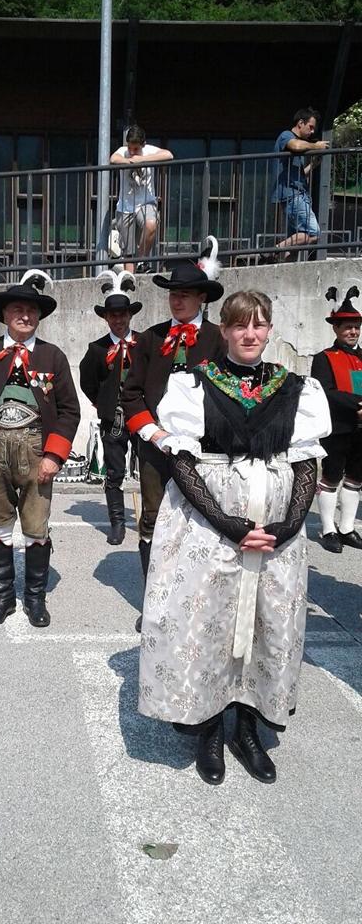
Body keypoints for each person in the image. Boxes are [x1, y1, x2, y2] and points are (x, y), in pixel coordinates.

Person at [138, 290, 331, 785]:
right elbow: (182, 461)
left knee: (267, 624)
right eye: (240, 325)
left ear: (269, 331)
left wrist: (289, 525)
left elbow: (306, 460)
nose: (250, 334)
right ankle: (208, 729)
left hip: (275, 531)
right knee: (207, 622)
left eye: (259, 325)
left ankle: (247, 729)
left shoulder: (295, 388)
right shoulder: (193, 384)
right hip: (208, 525)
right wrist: (226, 522)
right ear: (223, 330)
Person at [0, 270, 80, 628]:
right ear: (4, 315)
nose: (25, 316)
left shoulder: (53, 356)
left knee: (36, 527)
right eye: (17, 310)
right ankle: (3, 598)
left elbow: (70, 410)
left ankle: (35, 599)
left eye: (31, 310)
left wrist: (54, 455)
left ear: (39, 316)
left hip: (37, 453)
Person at [122, 237, 225, 631]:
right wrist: (154, 433)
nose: (177, 300)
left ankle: (195, 601)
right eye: (172, 294)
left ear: (201, 297)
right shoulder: (150, 338)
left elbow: (227, 395)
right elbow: (131, 393)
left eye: (184, 294)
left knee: (202, 520)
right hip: (156, 449)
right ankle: (154, 600)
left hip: (204, 451)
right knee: (151, 520)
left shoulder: (218, 340)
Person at [79, 267, 141, 544]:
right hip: (113, 418)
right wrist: (102, 403)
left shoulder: (144, 343)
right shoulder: (97, 349)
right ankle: (117, 522)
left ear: (130, 315)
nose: (118, 319)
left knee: (150, 470)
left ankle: (151, 520)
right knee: (115, 471)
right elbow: (87, 381)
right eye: (113, 315)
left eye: (122, 314)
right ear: (106, 318)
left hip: (143, 416)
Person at [311, 285, 362, 553]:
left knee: (355, 478)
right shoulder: (324, 358)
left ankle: (347, 528)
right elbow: (325, 391)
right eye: (347, 327)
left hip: (361, 429)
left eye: (356, 327)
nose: (353, 331)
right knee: (331, 477)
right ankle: (328, 528)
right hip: (337, 427)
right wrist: (358, 404)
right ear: (336, 329)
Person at [110, 125, 173, 268]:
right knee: (128, 253)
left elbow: (168, 155)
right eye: (130, 148)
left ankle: (141, 260)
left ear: (143, 145)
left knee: (151, 224)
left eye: (136, 149)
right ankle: (131, 278)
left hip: (146, 202)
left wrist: (142, 160)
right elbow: (113, 158)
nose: (132, 152)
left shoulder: (149, 150)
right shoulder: (122, 151)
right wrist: (130, 161)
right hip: (125, 207)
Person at [272, 107, 329, 260]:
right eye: (310, 127)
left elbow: (299, 174)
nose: (312, 132)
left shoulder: (296, 144)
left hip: (295, 194)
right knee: (313, 233)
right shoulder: (287, 135)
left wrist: (313, 165)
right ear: (300, 123)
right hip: (293, 195)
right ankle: (273, 250)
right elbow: (296, 146)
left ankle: (285, 266)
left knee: (296, 243)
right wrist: (316, 146)